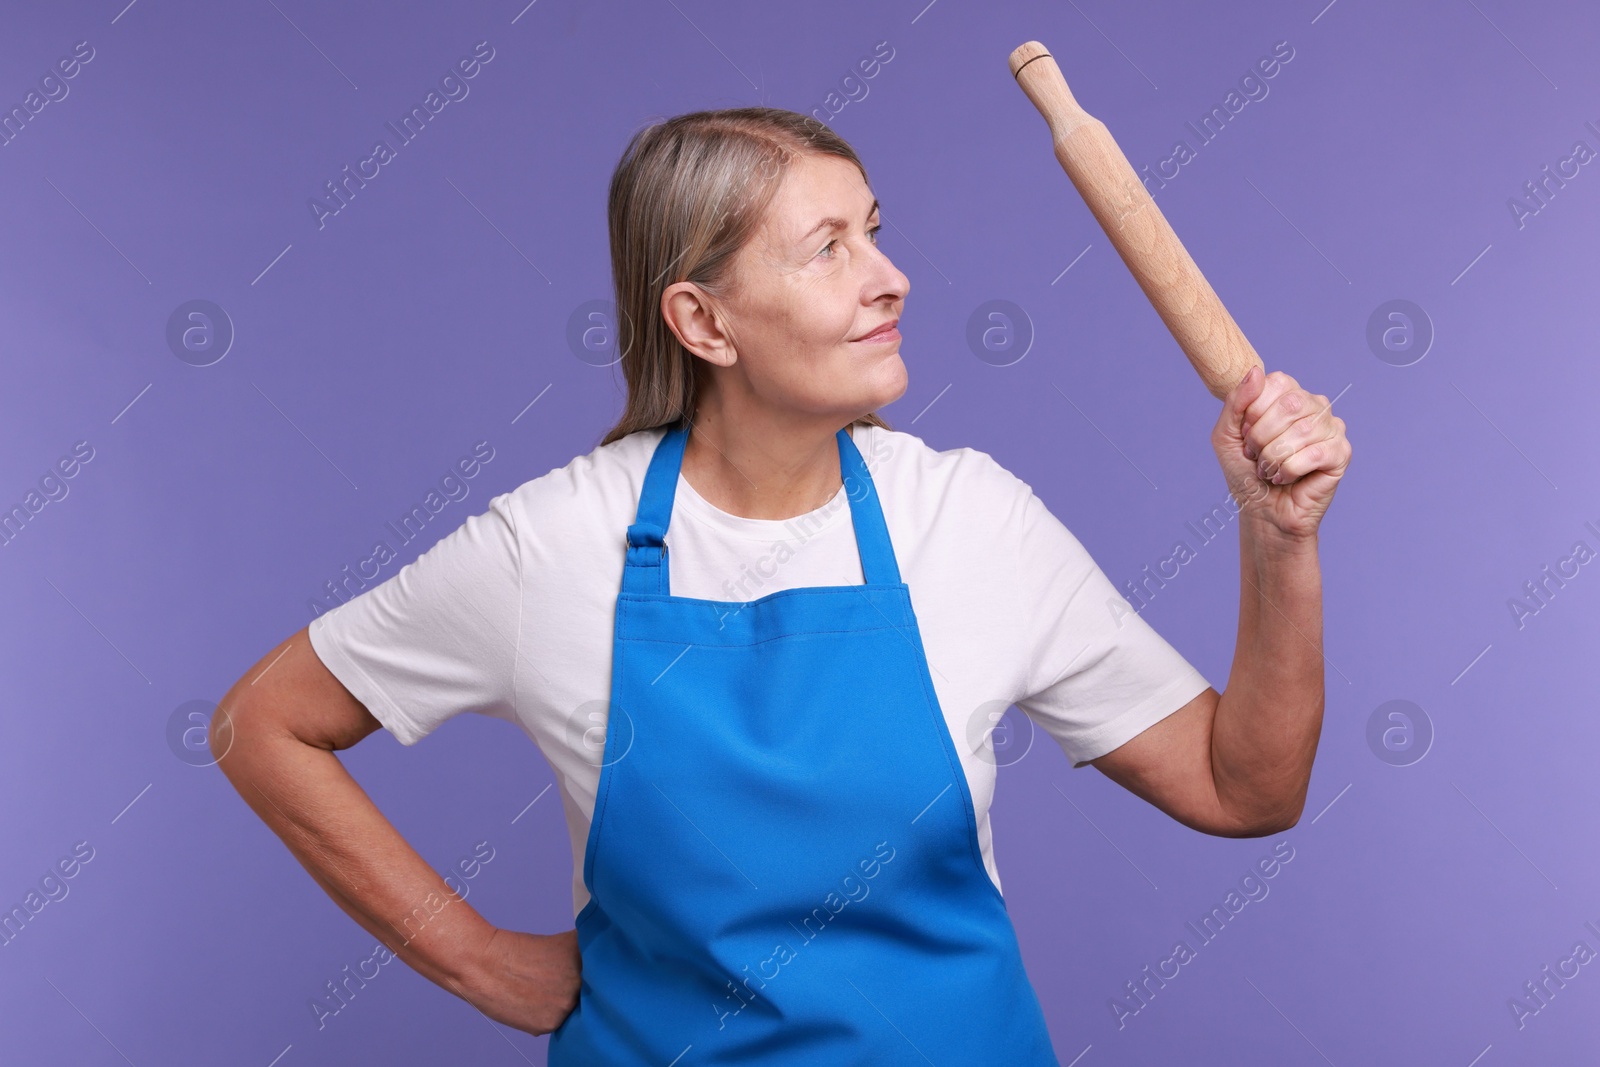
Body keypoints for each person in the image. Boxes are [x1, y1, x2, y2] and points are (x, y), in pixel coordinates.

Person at [214, 106, 1350, 1063]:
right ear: (703, 320)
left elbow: (1241, 788)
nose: (890, 277)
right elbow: (262, 725)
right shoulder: (557, 543)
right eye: (827, 248)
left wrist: (1277, 537)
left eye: (875, 231)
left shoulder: (966, 519)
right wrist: (476, 959)